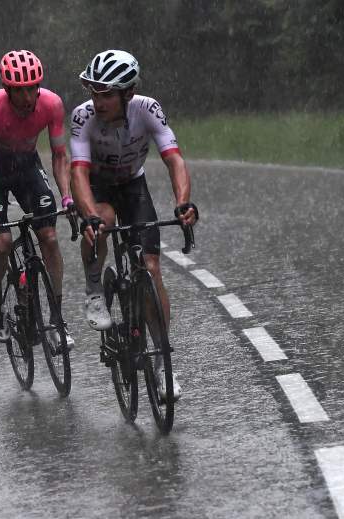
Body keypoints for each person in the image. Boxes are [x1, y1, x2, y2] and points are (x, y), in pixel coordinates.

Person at [69, 49, 198, 400]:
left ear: (128, 93)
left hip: (132, 185)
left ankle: (163, 362)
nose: (98, 100)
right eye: (94, 92)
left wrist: (183, 203)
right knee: (104, 221)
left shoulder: (148, 109)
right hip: (95, 186)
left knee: (151, 267)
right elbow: (77, 171)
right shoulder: (83, 117)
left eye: (106, 93)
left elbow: (174, 160)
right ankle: (94, 288)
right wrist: (88, 215)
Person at [0, 49, 74, 347]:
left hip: (28, 166)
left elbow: (59, 156)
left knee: (50, 237)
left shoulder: (52, 104)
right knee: (1, 243)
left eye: (33, 88)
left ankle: (56, 318)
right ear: (7, 89)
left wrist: (66, 196)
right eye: (21, 90)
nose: (29, 96)